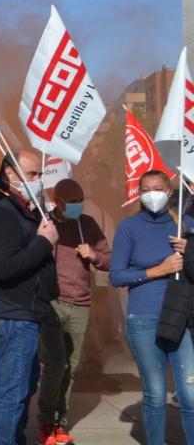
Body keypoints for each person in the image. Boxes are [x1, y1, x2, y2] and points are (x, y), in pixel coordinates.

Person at [0, 149, 59, 445]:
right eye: (32, 174)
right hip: (10, 312)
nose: (38, 180)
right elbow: (5, 267)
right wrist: (43, 242)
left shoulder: (14, 207)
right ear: (11, 174)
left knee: (23, 386)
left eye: (39, 174)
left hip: (21, 310)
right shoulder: (2, 211)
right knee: (12, 393)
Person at [110, 170, 194, 444]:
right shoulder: (128, 228)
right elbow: (117, 276)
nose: (152, 193)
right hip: (143, 318)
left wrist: (191, 251)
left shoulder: (187, 224)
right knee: (156, 394)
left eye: (158, 187)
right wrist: (159, 270)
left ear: (170, 192)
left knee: (191, 395)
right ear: (139, 193)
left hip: (181, 318)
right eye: (146, 189)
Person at [35, 179, 110, 444]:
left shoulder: (87, 224)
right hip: (53, 303)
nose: (77, 206)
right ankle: (45, 420)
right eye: (71, 201)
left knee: (71, 366)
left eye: (80, 200)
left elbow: (109, 260)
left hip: (81, 304)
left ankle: (60, 421)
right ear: (57, 201)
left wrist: (94, 256)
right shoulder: (45, 224)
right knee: (55, 364)